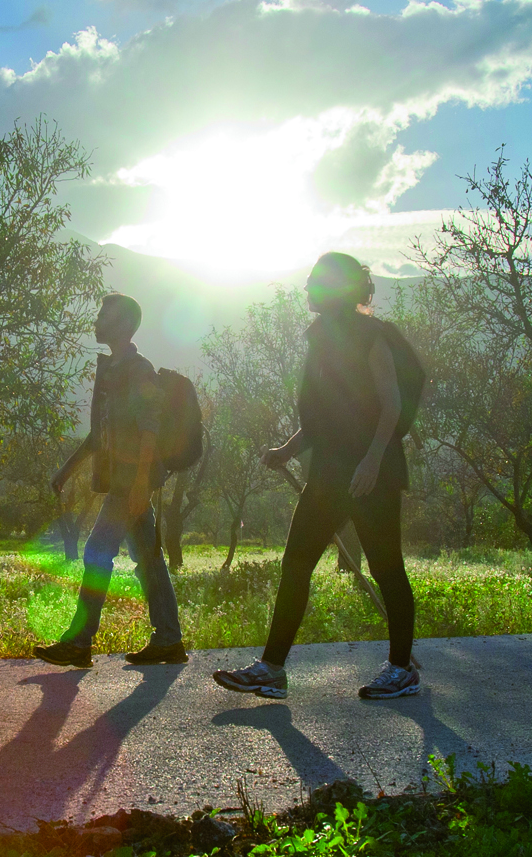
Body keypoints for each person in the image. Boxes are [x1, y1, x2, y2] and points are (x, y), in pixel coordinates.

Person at [213, 252, 423, 701]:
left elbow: (391, 405)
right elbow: (326, 416)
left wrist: (371, 462)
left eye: (313, 283)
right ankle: (271, 668)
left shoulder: (372, 336)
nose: (306, 289)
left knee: (388, 570)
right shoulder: (321, 338)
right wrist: (287, 450)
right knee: (296, 565)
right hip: (328, 473)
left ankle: (402, 668)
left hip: (372, 475)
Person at [32, 293, 187, 666]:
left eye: (105, 315)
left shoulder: (138, 370)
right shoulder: (112, 371)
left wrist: (139, 484)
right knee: (149, 560)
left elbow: (150, 427)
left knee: (97, 553)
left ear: (123, 325)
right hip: (125, 480)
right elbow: (99, 435)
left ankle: (80, 642)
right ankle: (168, 640)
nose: (97, 320)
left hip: (130, 481)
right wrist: (66, 470)